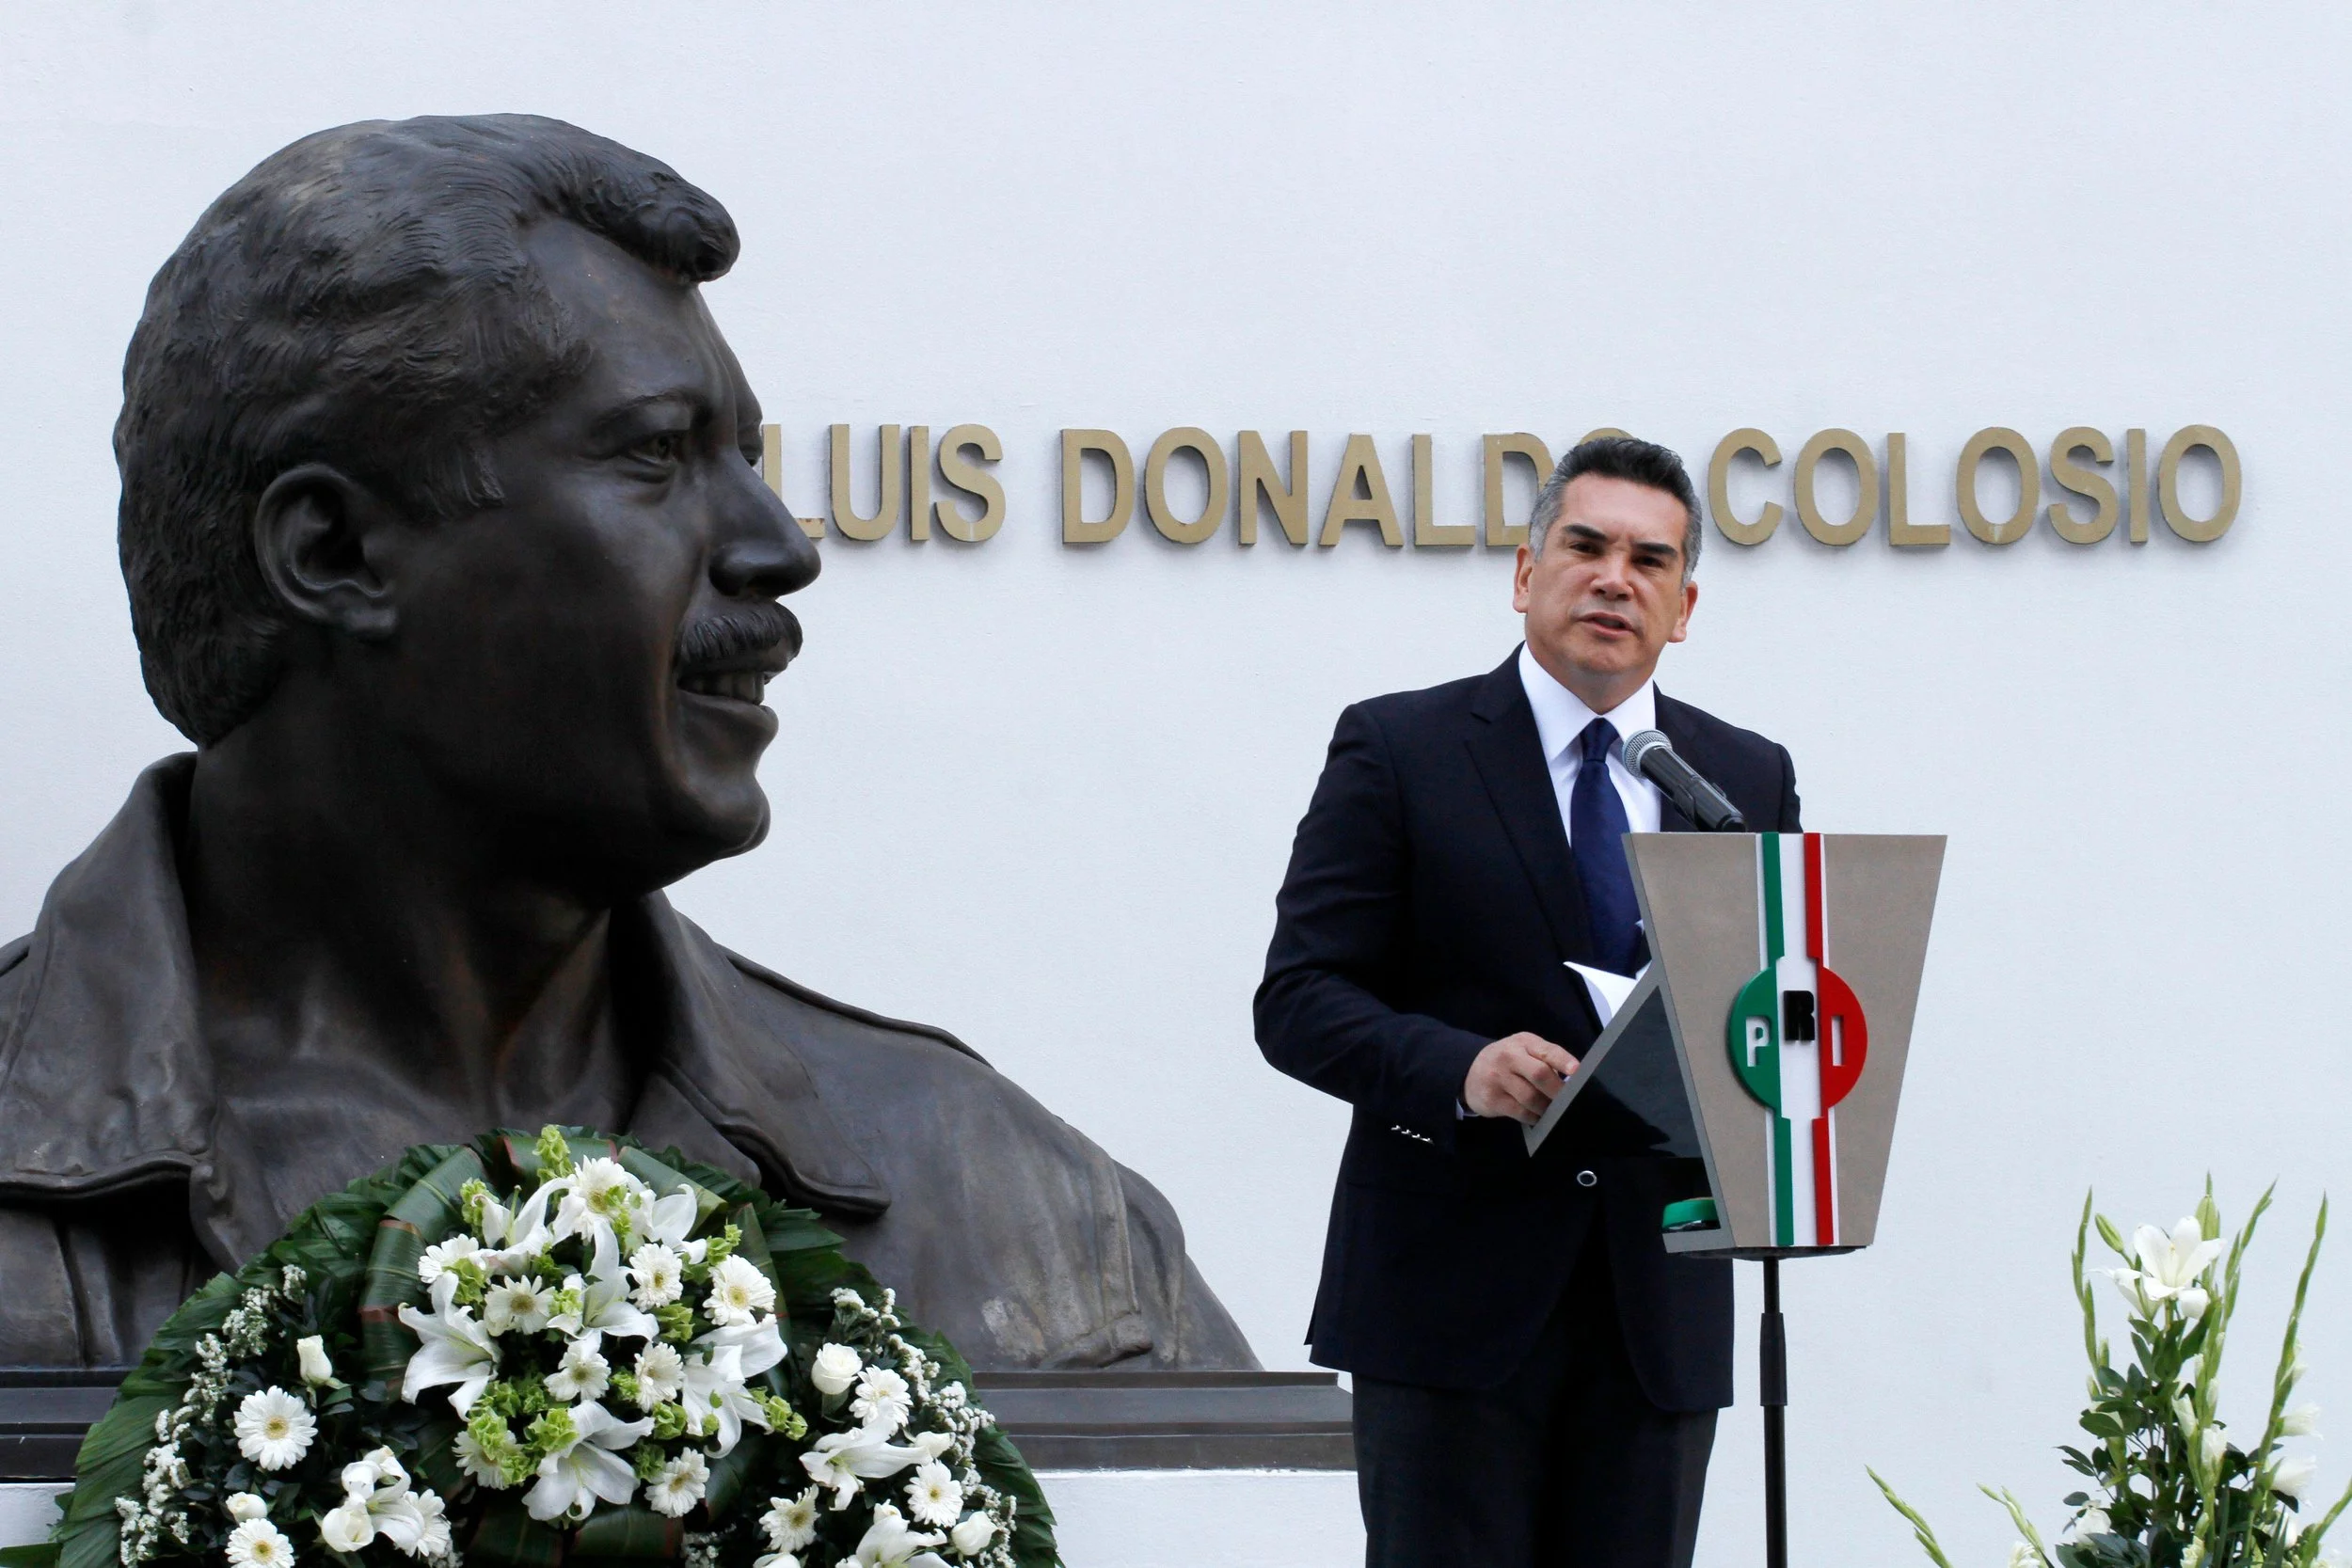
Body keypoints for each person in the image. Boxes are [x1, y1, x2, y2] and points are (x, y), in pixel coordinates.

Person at [0, 114, 1253, 1377]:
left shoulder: (1024, 1222)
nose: (781, 546)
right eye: (656, 452)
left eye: (744, 459)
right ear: (333, 549)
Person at [1255, 436, 1802, 1567]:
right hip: (1449, 1306)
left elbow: (1776, 1005)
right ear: (1523, 572)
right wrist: (1458, 1069)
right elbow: (1299, 998)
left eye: (1650, 560)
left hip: (1657, 1309)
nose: (1615, 578)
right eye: (1586, 545)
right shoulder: (1400, 748)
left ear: (1683, 604)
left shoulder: (1741, 779)